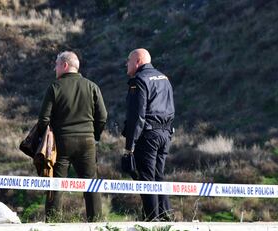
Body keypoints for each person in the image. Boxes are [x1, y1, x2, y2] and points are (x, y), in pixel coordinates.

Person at [37, 50, 107, 222]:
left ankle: (53, 223)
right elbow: (103, 116)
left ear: (65, 65)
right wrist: (94, 135)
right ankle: (96, 223)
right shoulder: (92, 86)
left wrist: (44, 139)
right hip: (87, 142)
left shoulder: (55, 87)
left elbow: (43, 118)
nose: (55, 68)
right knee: (91, 183)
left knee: (56, 184)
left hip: (62, 142)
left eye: (56, 64)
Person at [122, 48, 175, 221]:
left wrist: (130, 146)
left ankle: (152, 219)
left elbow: (137, 116)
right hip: (165, 134)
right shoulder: (164, 78)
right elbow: (170, 108)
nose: (126, 64)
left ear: (137, 61)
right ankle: (166, 215)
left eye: (129, 60)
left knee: (146, 177)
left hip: (148, 135)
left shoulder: (138, 80)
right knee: (159, 175)